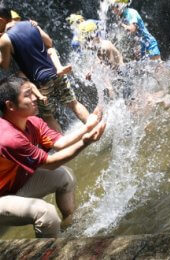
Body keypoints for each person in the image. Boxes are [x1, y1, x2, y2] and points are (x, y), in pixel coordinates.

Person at [0, 76, 106, 238]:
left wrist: (88, 126)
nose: (35, 97)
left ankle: (71, 228)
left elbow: (61, 143)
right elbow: (50, 163)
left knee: (65, 176)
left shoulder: (32, 122)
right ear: (10, 105)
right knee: (46, 214)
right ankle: (51, 253)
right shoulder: (8, 137)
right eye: (28, 95)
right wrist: (86, 141)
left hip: (15, 186)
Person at [0, 6, 88, 132]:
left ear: (1, 20)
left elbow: (4, 64)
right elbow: (49, 43)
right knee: (73, 104)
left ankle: (65, 146)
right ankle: (94, 127)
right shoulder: (31, 24)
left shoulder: (5, 39)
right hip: (55, 71)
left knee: (48, 116)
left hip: (39, 82)